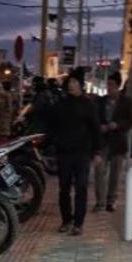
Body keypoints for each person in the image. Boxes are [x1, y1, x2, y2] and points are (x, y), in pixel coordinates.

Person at [50, 68, 102, 236]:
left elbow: (95, 129)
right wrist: (55, 142)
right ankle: (66, 220)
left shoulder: (88, 104)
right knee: (64, 188)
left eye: (75, 82)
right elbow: (52, 125)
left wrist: (97, 152)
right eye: (70, 82)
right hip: (64, 153)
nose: (71, 85)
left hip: (82, 153)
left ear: (80, 84)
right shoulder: (61, 104)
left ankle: (78, 223)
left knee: (81, 188)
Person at [94, 73, 132, 213]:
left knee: (115, 174)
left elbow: (130, 120)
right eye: (108, 84)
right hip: (103, 142)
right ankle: (100, 201)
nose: (109, 88)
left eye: (112, 85)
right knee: (99, 172)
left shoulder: (126, 102)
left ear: (118, 86)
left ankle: (111, 200)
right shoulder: (100, 102)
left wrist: (117, 125)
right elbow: (94, 119)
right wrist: (100, 127)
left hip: (118, 143)